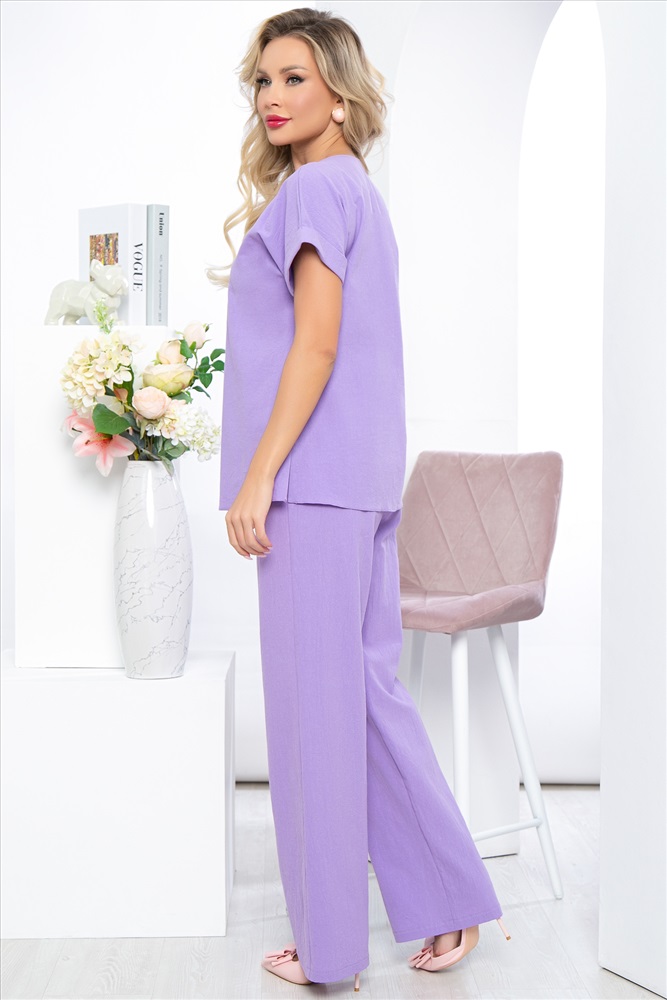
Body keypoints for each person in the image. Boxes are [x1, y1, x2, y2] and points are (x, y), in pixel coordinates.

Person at [208, 7, 510, 992]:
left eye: (293, 77)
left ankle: (330, 946)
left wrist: (259, 474)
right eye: (263, 80)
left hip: (310, 487)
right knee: (368, 701)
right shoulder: (353, 192)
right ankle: (448, 899)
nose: (273, 96)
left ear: (339, 92)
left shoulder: (313, 191)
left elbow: (318, 343)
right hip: (361, 481)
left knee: (315, 718)